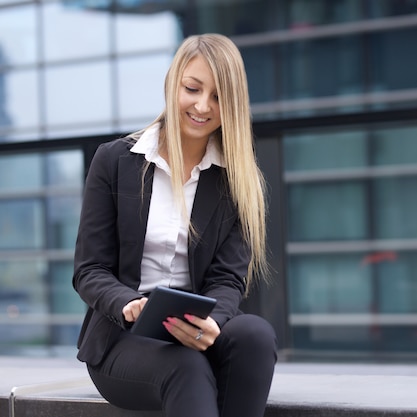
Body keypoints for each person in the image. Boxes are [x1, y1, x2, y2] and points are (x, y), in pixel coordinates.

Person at [72, 34, 277, 417]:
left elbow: (228, 279)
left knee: (255, 335)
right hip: (123, 338)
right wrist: (129, 304)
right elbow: (89, 270)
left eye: (217, 96)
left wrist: (212, 324)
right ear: (173, 84)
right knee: (185, 365)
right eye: (193, 89)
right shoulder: (115, 161)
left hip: (197, 329)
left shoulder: (236, 179)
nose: (203, 106)